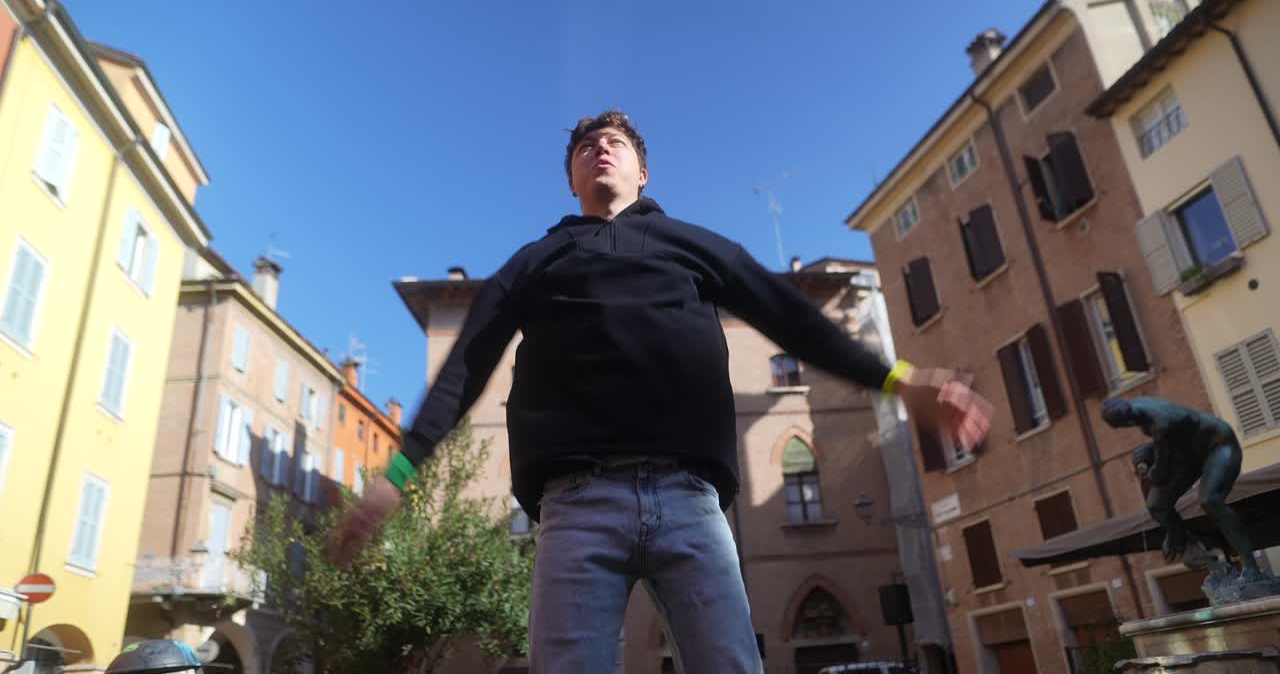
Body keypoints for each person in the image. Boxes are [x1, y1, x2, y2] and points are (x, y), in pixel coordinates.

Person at [330, 110, 993, 672]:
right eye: (587, 144)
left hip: (690, 501)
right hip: (575, 505)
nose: (601, 147)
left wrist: (897, 381)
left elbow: (791, 317)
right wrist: (400, 473)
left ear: (642, 172)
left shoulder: (694, 246)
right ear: (572, 179)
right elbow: (465, 367)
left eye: (616, 141)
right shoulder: (534, 262)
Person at [1102, 396, 1261, 578]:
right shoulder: (1138, 406)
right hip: (1189, 454)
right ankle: (1193, 548)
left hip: (1218, 445)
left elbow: (1160, 471)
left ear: (1127, 420)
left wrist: (1148, 465)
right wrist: (1173, 530)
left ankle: (1251, 568)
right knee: (1156, 505)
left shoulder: (1161, 424)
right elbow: (1170, 442)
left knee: (1210, 500)